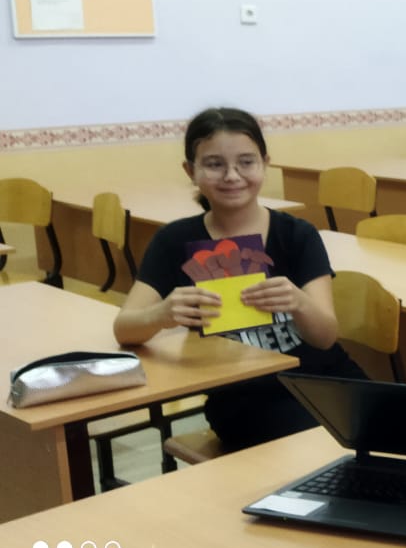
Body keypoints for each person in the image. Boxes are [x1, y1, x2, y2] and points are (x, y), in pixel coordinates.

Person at [113, 108, 367, 451]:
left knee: (394, 428)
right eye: (214, 164)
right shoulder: (174, 242)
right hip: (244, 398)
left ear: (265, 163)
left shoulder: (297, 235)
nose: (232, 176)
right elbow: (124, 328)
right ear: (190, 171)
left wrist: (299, 303)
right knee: (315, 447)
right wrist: (161, 314)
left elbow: (325, 338)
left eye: (246, 162)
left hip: (325, 379)